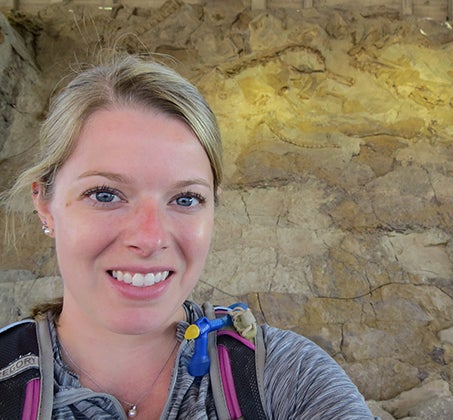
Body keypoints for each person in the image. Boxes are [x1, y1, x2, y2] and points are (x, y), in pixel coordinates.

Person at [0, 54, 374, 419]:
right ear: (44, 203)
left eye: (185, 198)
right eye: (105, 194)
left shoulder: (286, 377)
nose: (149, 239)